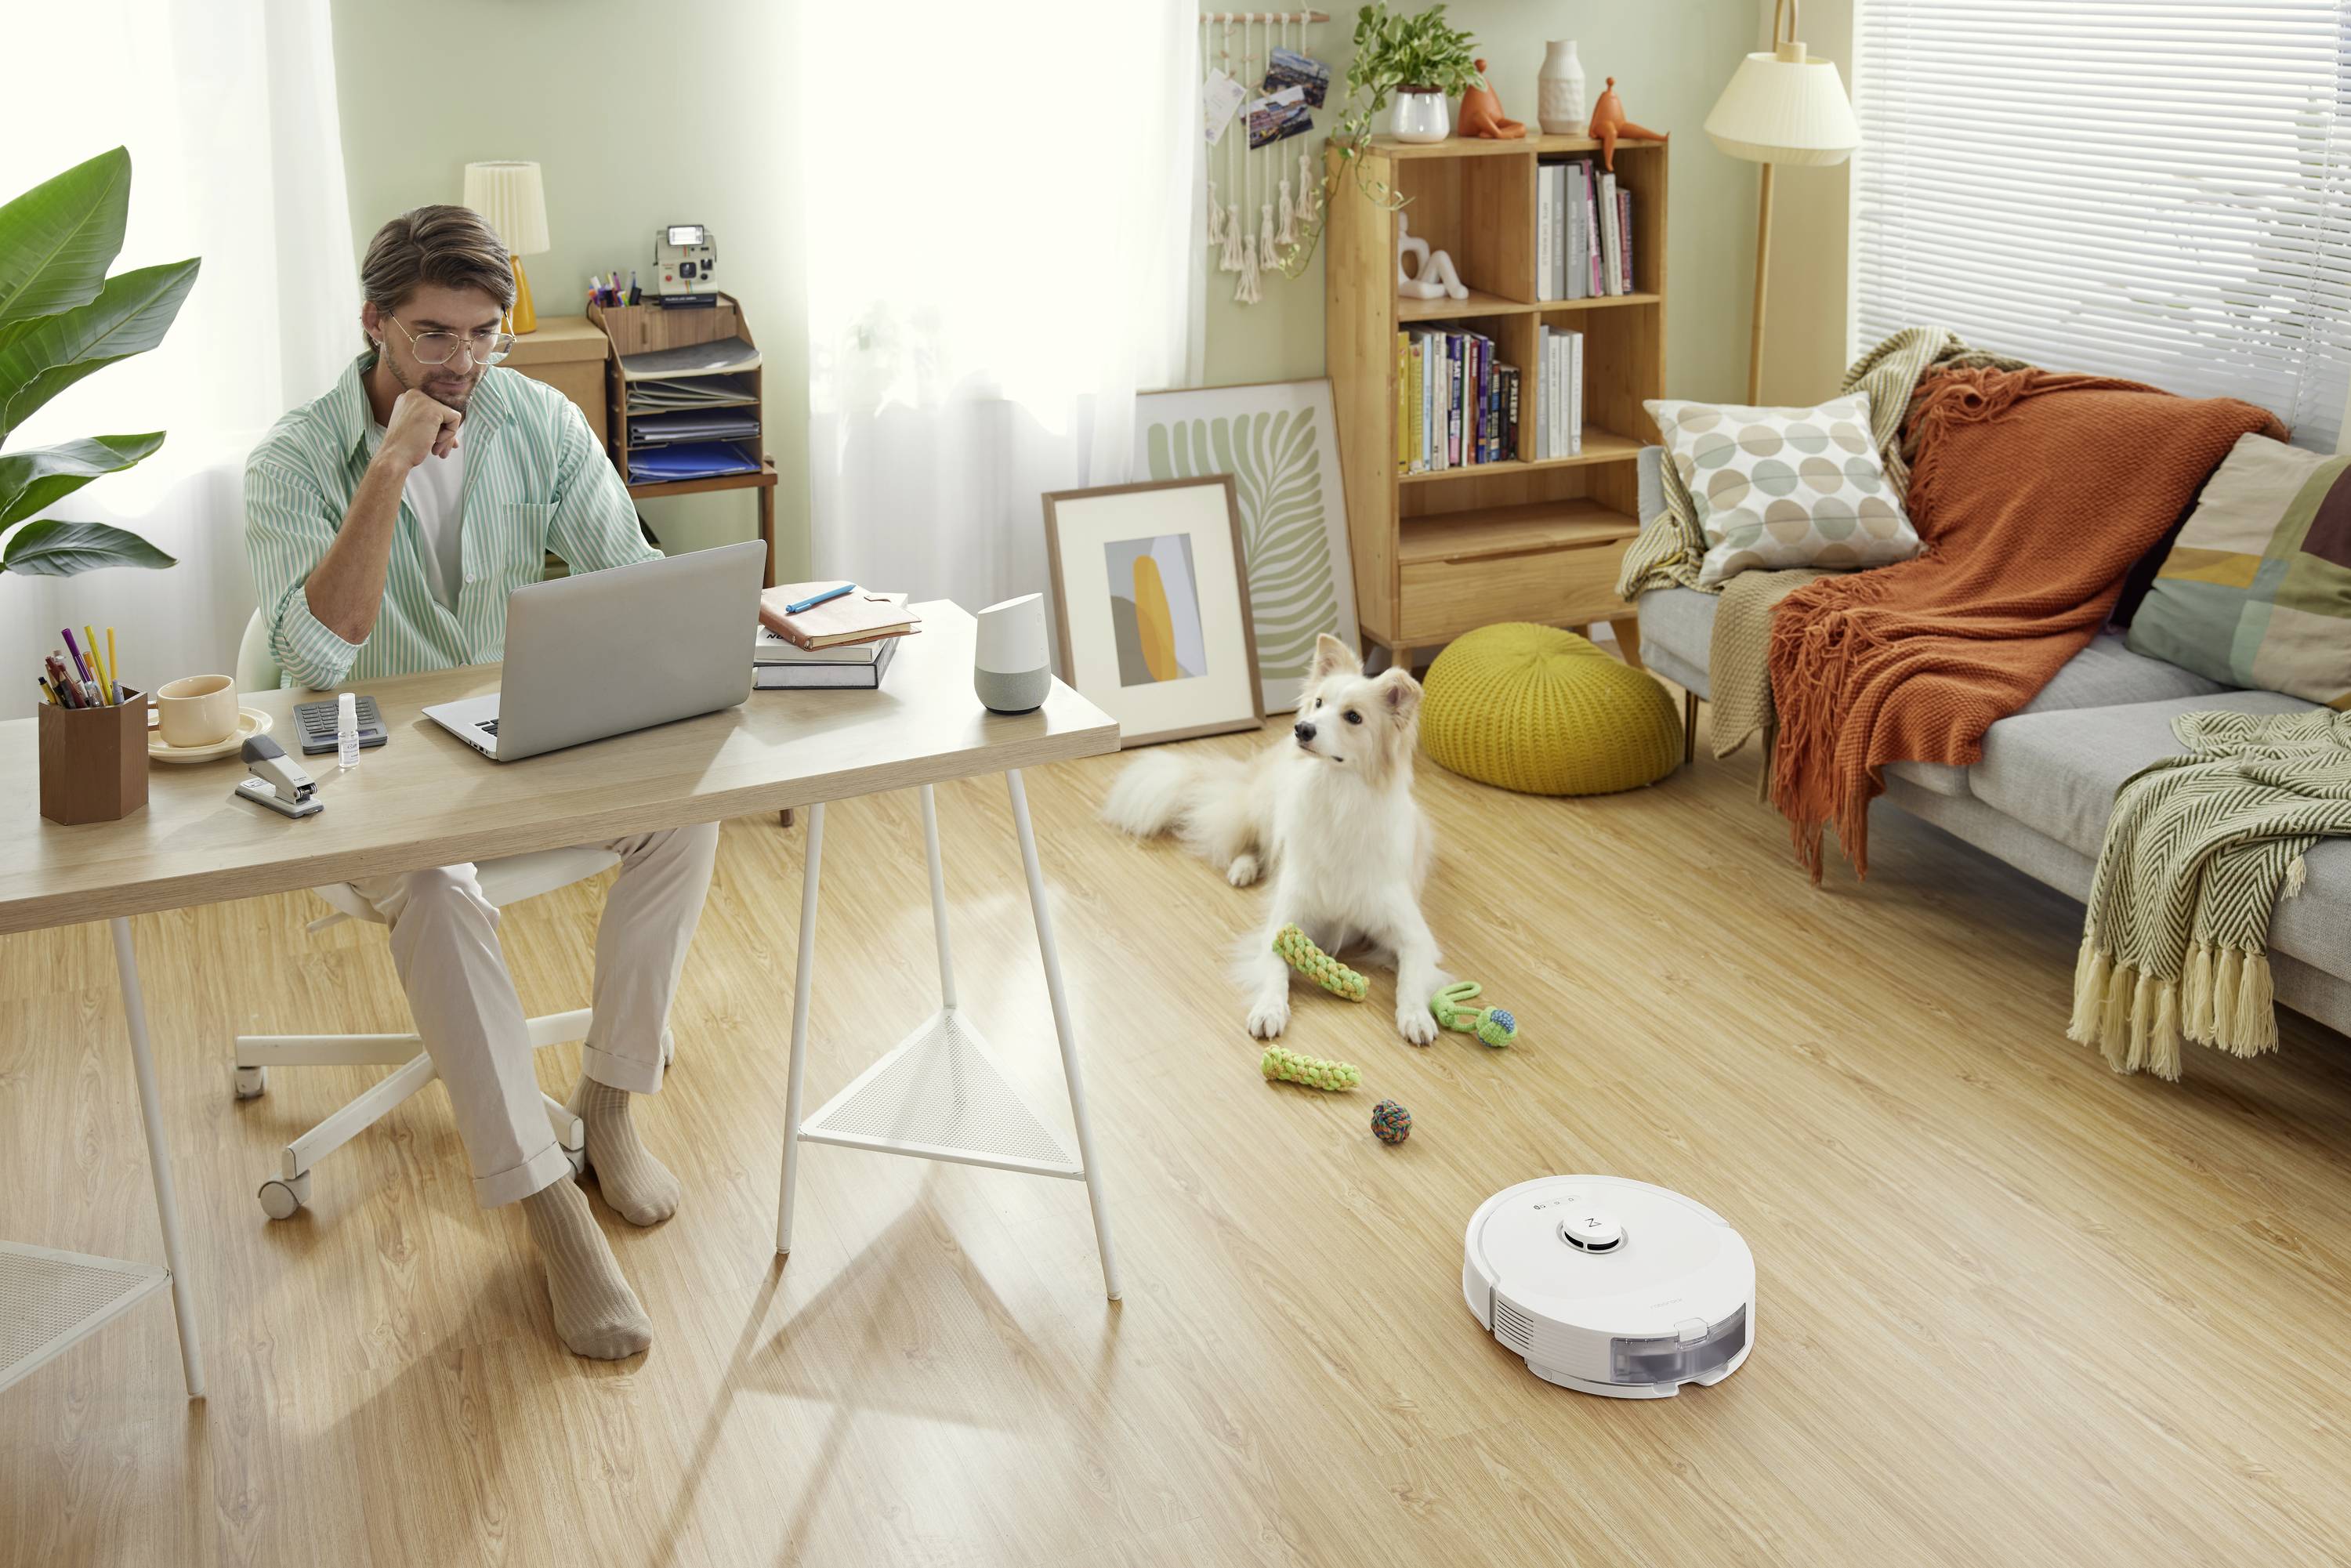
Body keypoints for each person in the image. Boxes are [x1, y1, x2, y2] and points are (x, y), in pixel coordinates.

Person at [245, 206, 714, 1359]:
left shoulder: (539, 420)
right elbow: (312, 656)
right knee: (441, 890)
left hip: (506, 745)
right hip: (371, 773)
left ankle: (607, 1105)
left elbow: (626, 570)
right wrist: (393, 464)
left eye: (483, 334)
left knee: (685, 814)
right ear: (373, 325)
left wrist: (699, 619)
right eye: (431, 335)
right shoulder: (292, 460)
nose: (460, 364)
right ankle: (549, 1202)